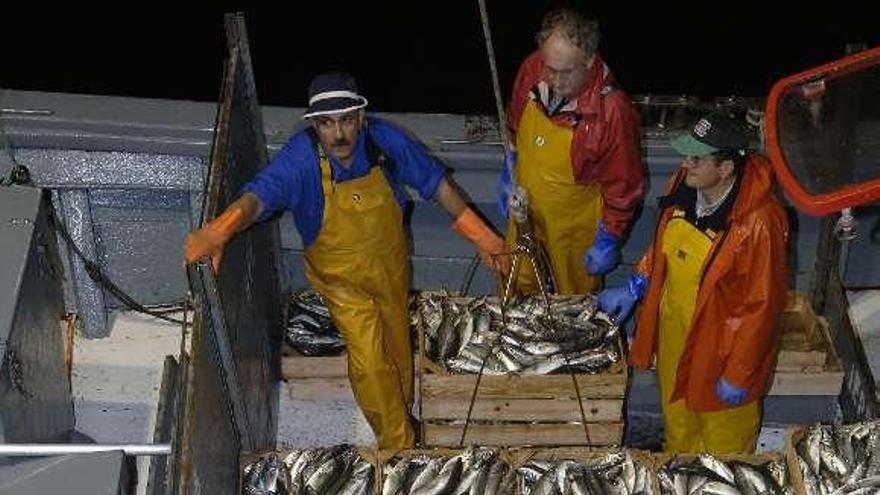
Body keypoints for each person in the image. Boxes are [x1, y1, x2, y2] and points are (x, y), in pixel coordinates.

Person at [184, 72, 508, 449]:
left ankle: (402, 414)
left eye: (347, 120)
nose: (338, 134)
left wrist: (484, 236)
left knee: (397, 350)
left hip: (390, 268)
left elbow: (437, 185)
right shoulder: (300, 159)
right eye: (326, 123)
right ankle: (398, 445)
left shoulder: (385, 141)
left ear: (362, 117)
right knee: (369, 357)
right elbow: (257, 198)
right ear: (313, 124)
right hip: (340, 280)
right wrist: (219, 229)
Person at [598, 112, 789, 453]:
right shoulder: (682, 187)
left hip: (723, 350)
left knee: (723, 443)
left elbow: (764, 307)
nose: (686, 164)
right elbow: (664, 246)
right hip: (675, 336)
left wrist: (739, 372)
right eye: (686, 155)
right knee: (679, 426)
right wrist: (637, 282)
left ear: (726, 167)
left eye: (696, 158)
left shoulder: (760, 222)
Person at [497, 6, 644, 295]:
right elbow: (514, 126)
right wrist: (510, 165)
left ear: (589, 60)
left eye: (567, 72)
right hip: (524, 208)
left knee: (571, 304)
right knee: (516, 288)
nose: (556, 81)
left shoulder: (613, 110)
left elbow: (623, 187)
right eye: (550, 69)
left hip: (574, 229)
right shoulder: (532, 68)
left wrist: (608, 239)